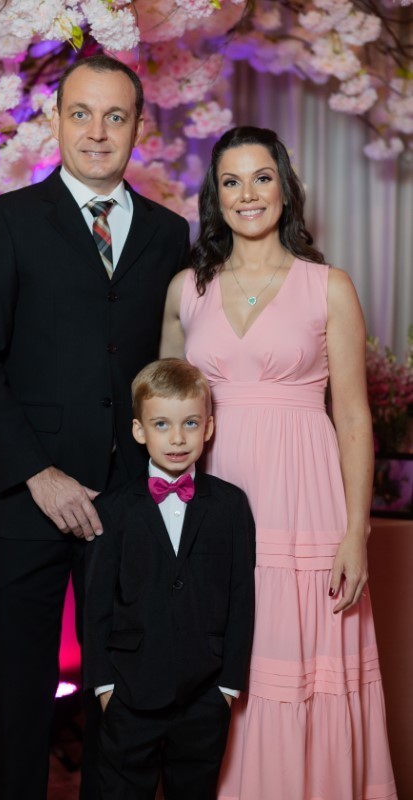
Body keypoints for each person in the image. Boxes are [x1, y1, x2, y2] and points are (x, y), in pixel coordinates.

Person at [0, 55, 190, 800]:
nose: (96, 132)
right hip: (27, 500)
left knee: (122, 701)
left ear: (139, 126)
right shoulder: (5, 221)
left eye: (115, 116)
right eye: (80, 113)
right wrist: (36, 472)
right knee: (19, 699)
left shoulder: (169, 234)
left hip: (128, 502)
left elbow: (168, 367)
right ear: (55, 121)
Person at [161, 126, 397, 800]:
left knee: (303, 660)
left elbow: (353, 416)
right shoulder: (186, 290)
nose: (247, 194)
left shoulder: (328, 286)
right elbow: (163, 410)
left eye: (261, 177)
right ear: (215, 197)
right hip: (214, 496)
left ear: (286, 189)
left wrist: (355, 531)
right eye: (230, 181)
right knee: (225, 658)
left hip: (305, 500)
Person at [83, 358, 255, 800]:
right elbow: (96, 605)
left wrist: (227, 686)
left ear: (208, 427)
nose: (177, 438)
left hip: (204, 696)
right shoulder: (112, 509)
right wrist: (105, 687)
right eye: (162, 424)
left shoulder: (232, 507)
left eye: (190, 423)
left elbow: (241, 599)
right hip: (129, 694)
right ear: (139, 430)